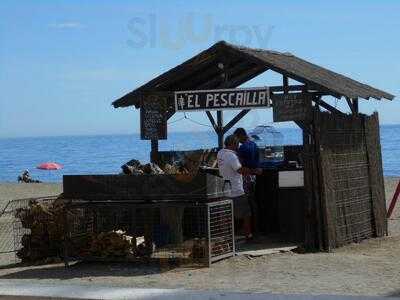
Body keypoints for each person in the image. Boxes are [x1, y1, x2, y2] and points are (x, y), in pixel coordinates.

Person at [217, 135, 261, 240]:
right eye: (237, 145)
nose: (238, 147)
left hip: (224, 189)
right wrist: (255, 171)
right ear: (233, 144)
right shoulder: (231, 156)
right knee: (246, 214)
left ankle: (226, 238)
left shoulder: (220, 153)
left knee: (225, 216)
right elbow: (240, 170)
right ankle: (248, 235)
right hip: (236, 190)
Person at [234, 127, 261, 236]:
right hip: (254, 177)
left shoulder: (243, 148)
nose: (237, 141)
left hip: (246, 177)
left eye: (237, 138)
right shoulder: (254, 145)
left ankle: (247, 230)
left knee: (246, 205)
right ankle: (256, 228)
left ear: (241, 135)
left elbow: (239, 164)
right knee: (253, 203)